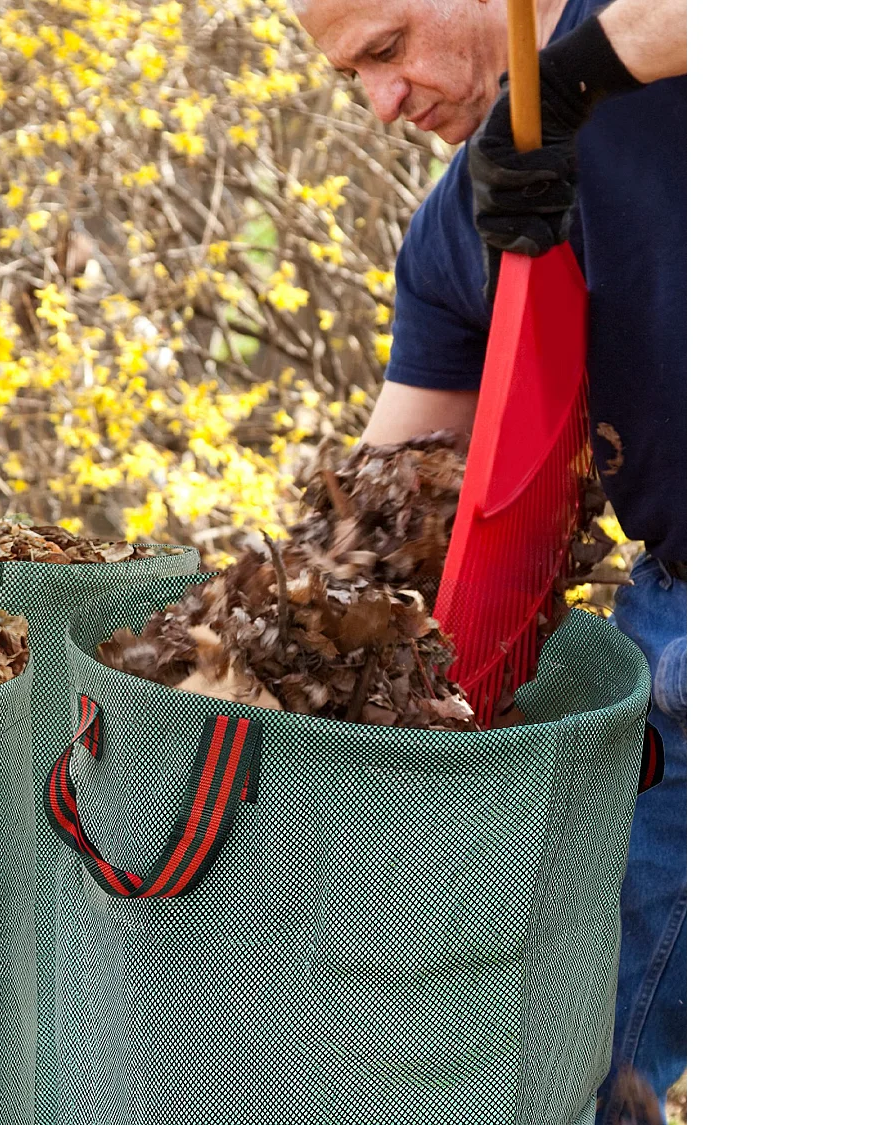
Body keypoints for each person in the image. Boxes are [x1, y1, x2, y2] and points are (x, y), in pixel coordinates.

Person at [292, 0, 687, 1120]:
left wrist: (571, 79)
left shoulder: (646, 31)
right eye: (354, 79)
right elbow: (385, 489)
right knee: (563, 1039)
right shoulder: (468, 221)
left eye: (387, 49)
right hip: (677, 617)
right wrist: (265, 641)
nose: (382, 100)